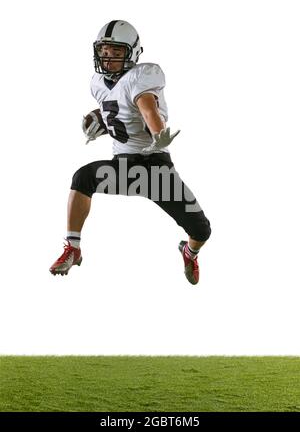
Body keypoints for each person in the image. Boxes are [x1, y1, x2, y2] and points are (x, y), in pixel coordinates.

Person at [49, 20, 211, 285]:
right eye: (104, 51)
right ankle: (73, 247)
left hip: (156, 169)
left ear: (132, 52)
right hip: (126, 169)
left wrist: (159, 133)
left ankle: (189, 252)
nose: (108, 58)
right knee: (83, 177)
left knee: (201, 230)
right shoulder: (97, 84)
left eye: (116, 52)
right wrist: (98, 121)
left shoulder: (142, 76)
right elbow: (119, 111)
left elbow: (146, 107)